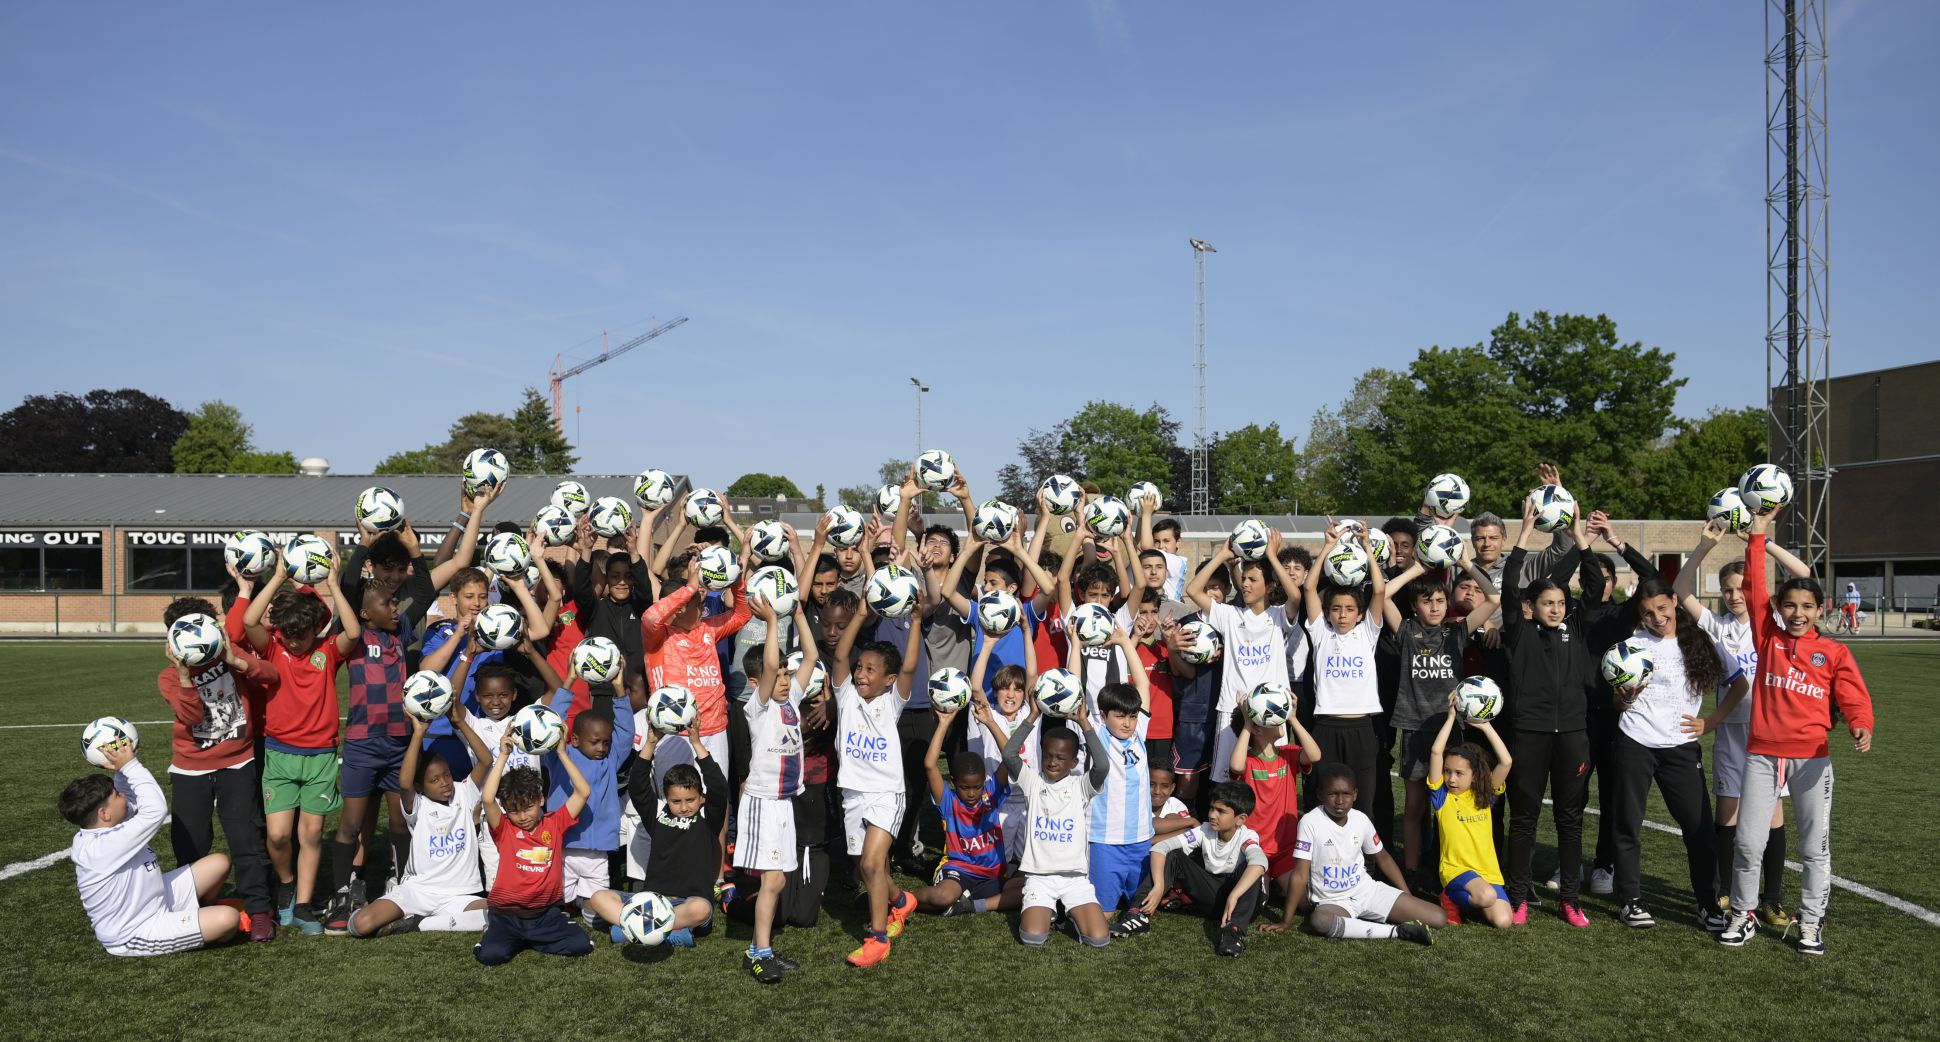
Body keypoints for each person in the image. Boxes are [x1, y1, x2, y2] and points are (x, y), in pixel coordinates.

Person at [1719, 507, 1876, 956]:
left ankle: (1810, 922)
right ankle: (1743, 914)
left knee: (1813, 849)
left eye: (1807, 606)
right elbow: (1754, 586)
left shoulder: (1834, 652)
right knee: (1748, 843)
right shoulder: (1766, 637)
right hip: (1762, 756)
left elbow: (1854, 697)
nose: (1798, 613)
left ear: (1820, 609)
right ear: (1778, 609)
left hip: (1812, 758)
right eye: (1789, 605)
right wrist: (1758, 536)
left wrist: (1861, 725)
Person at [1675, 519, 1810, 927]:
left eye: (1742, 587)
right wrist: (1703, 546)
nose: (1735, 595)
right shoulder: (1716, 627)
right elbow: (1680, 590)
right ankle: (1727, 893)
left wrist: (1761, 542)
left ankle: (1771, 899)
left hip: (1773, 735)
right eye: (1728, 589)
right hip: (1734, 736)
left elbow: (1803, 574)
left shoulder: (1775, 624)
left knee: (1772, 817)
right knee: (1728, 817)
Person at [1608, 577, 1746, 932]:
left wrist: (1710, 722)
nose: (1657, 617)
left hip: (1681, 747)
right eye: (1648, 613)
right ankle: (1630, 899)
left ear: (1674, 602)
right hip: (1634, 742)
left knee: (1699, 829)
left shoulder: (1700, 639)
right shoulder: (1630, 646)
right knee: (1627, 823)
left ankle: (1708, 904)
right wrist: (1626, 697)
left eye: (1663, 608)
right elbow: (1617, 702)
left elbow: (1740, 682)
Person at [241, 553, 359, 935]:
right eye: (287, 635)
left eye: (301, 636)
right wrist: (277, 577)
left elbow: (354, 633)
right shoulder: (274, 648)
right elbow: (248, 621)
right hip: (279, 755)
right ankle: (286, 885)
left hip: (321, 757)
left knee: (310, 834)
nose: (293, 643)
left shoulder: (327, 653)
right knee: (278, 835)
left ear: (314, 631)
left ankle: (305, 905)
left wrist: (335, 585)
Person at [1496, 499, 1597, 926]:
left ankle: (1570, 900)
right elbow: (1507, 585)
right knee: (1524, 819)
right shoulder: (1518, 633)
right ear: (1530, 608)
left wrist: (1579, 537)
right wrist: (1522, 534)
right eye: (1547, 603)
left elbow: (1592, 586)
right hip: (1529, 733)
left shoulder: (1576, 629)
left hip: (1573, 734)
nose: (1555, 609)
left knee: (1570, 821)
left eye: (1560, 603)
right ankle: (1518, 897)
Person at [1379, 545, 1498, 892]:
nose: (1434, 606)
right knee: (1415, 806)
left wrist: (1464, 563)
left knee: (1451, 805)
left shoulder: (1455, 632)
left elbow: (1492, 598)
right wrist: (1418, 569)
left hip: (1452, 731)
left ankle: (1448, 867)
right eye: (1427, 601)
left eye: (1440, 601)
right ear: (1415, 606)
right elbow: (1384, 593)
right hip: (1416, 729)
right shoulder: (1406, 632)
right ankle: (1413, 871)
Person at [157, 597, 277, 941]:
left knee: (246, 839)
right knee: (191, 844)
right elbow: (192, 717)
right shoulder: (168, 677)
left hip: (238, 761)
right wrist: (184, 674)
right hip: (190, 769)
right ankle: (193, 908)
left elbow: (271, 675)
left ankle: (259, 911)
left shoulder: (231, 655)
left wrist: (234, 659)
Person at [61, 740, 242, 956]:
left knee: (219, 863)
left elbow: (133, 798)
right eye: (117, 795)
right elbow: (155, 810)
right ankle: (203, 926)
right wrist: (131, 766)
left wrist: (121, 766)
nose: (123, 796)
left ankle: (198, 915)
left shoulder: (107, 827)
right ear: (104, 814)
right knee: (229, 919)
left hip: (156, 897)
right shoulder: (103, 847)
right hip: (136, 931)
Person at [829, 586, 924, 967]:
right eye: (860, 668)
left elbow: (911, 668)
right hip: (852, 793)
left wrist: (916, 621)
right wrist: (861, 615)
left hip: (886, 792)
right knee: (868, 865)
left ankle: (878, 937)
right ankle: (901, 900)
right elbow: (839, 654)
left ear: (888, 680)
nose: (861, 673)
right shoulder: (846, 696)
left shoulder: (892, 702)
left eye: (870, 670)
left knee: (871, 865)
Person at [348, 706, 493, 936]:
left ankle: (419, 924)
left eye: (446, 775)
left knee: (500, 915)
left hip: (459, 895)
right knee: (360, 925)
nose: (444, 782)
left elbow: (485, 761)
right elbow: (404, 784)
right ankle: (426, 916)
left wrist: (460, 723)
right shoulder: (417, 805)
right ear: (420, 787)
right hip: (418, 892)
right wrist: (418, 734)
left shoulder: (464, 793)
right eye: (434, 780)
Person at [1260, 764, 1443, 943]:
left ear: (1355, 794)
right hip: (1333, 901)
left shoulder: (1360, 819)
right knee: (1320, 921)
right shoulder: (1310, 822)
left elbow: (1383, 858)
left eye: (1346, 794)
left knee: (1439, 918)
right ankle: (1396, 931)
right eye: (1333, 794)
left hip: (1367, 892)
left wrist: (1406, 894)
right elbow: (1300, 875)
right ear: (1320, 795)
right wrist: (1286, 921)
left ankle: (1362, 923)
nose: (1340, 801)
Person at [734, 597, 818, 982]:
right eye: (779, 674)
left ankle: (759, 945)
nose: (784, 678)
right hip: (763, 802)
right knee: (772, 881)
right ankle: (760, 952)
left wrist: (798, 615)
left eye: (787, 673)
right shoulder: (759, 706)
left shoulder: (791, 701)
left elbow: (812, 657)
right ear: (757, 684)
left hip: (784, 803)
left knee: (780, 879)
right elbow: (769, 665)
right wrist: (771, 622)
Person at [475, 729, 605, 964]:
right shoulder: (504, 829)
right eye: (514, 810)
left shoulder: (554, 824)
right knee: (490, 957)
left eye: (528, 807)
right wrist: (503, 755)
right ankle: (497, 933)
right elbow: (487, 799)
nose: (522, 816)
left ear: (541, 800)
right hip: (507, 915)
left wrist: (563, 754)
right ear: (506, 809)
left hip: (546, 915)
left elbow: (583, 792)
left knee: (581, 946)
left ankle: (535, 937)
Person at [1002, 700, 1114, 949]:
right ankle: (1049, 912)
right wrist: (1033, 715)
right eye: (1048, 756)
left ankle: (1069, 913)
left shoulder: (1080, 786)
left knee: (1099, 939)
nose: (1052, 762)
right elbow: (1009, 753)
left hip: (1074, 879)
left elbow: (1103, 766)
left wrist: (1084, 723)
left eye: (1061, 758)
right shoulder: (1033, 782)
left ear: (1074, 762)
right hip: (1039, 878)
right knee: (1032, 938)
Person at [1299, 526, 1392, 818]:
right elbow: (1309, 588)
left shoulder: (1367, 633)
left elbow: (1378, 590)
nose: (1342, 615)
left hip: (1362, 727)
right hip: (1326, 727)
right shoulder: (1321, 633)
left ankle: (1366, 862)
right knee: (1320, 797)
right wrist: (1327, 546)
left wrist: (1366, 547)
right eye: (1336, 609)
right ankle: (1316, 859)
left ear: (1360, 614)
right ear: (1327, 613)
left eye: (1349, 609)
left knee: (1363, 801)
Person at [543, 647, 636, 931]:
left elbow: (626, 733)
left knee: (598, 908)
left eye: (605, 742)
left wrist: (619, 688)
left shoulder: (610, 760)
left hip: (598, 850)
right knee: (556, 899)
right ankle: (558, 914)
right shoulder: (560, 756)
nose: (601, 747)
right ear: (574, 739)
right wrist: (569, 682)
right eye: (594, 742)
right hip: (566, 845)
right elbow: (552, 723)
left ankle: (591, 914)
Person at [1185, 536, 1291, 784]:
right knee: (1228, 779)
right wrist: (1221, 556)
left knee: (1271, 779)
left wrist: (1273, 557)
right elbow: (1192, 590)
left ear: (1271, 586)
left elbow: (1296, 596)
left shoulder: (1278, 615)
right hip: (1232, 708)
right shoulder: (1230, 615)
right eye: (1244, 578)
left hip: (1272, 707)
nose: (1245, 584)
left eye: (1253, 580)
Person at [625, 723, 731, 955]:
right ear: (666, 798)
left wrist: (696, 743)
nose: (683, 807)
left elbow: (720, 787)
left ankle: (638, 930)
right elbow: (637, 785)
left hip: (689, 904)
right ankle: (668, 932)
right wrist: (651, 742)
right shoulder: (657, 813)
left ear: (701, 797)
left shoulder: (707, 817)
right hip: (653, 903)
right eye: (676, 802)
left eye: (690, 800)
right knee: (600, 897)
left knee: (702, 909)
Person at [912, 704, 1022, 917]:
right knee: (942, 897)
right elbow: (929, 765)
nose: (971, 793)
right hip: (959, 872)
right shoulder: (949, 802)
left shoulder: (991, 795)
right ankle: (901, 900)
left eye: (977, 787)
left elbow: (1010, 756)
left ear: (984, 783)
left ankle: (969, 904)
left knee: (1033, 890)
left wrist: (990, 722)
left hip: (993, 875)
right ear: (954, 783)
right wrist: (944, 724)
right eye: (965, 788)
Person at [1138, 781, 1270, 956]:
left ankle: (1233, 932)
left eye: (1221, 811)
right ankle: (1135, 913)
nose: (1213, 815)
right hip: (1215, 900)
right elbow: (1160, 848)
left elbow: (1261, 862)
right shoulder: (1204, 830)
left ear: (1241, 819)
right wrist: (1159, 886)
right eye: (1212, 808)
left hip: (1243, 906)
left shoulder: (1247, 835)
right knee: (1174, 854)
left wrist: (1234, 895)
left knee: (1250, 866)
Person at [1224, 697, 1322, 919]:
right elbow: (1235, 766)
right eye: (1273, 717)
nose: (1281, 721)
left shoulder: (1288, 753)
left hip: (1286, 849)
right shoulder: (1247, 760)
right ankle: (1269, 884)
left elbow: (1315, 755)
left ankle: (1279, 882)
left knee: (1306, 904)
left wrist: (1294, 719)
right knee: (1256, 905)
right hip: (1255, 849)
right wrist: (1248, 725)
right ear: (1257, 729)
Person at [1084, 630, 1156, 930]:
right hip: (1104, 840)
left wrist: (1126, 642)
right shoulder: (1095, 735)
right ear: (1103, 715)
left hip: (1141, 840)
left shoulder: (1139, 734)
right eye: (1119, 716)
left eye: (1132, 716)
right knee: (1103, 917)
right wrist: (1076, 645)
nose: (1127, 723)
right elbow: (1076, 688)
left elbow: (1143, 684)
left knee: (1143, 908)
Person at [1426, 699, 1514, 928]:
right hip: (1456, 870)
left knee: (1503, 921)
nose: (1451, 778)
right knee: (1486, 897)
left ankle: (1469, 899)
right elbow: (1436, 751)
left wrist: (1485, 726)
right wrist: (1451, 718)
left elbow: (1506, 761)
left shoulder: (1483, 796)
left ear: (1474, 776)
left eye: (1458, 773)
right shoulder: (1442, 797)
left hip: (1488, 873)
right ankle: (1450, 896)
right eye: (1447, 772)